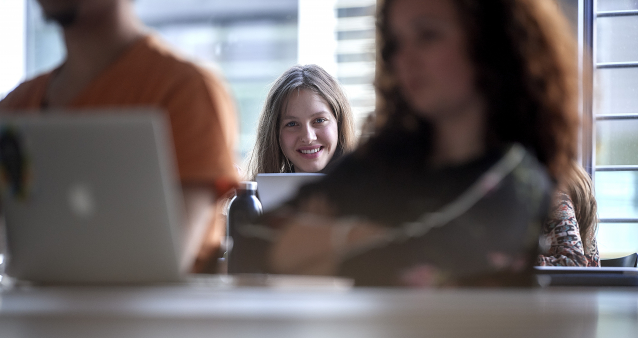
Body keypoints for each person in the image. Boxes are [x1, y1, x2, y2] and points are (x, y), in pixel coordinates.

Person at [232, 0, 579, 287]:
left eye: (427, 35)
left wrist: (329, 236)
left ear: (489, 42)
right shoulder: (383, 159)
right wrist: (362, 238)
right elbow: (253, 246)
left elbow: (422, 255)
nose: (404, 59)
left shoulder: (519, 176)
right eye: (395, 43)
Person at [0, 0, 239, 271]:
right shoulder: (15, 108)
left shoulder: (185, 90)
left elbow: (168, 257)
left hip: (155, 312)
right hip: (29, 310)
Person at [245, 64, 355, 179]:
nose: (308, 137)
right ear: (276, 133)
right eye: (292, 124)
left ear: (339, 123)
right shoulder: (252, 196)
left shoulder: (371, 192)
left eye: (319, 120)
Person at [537, 162, 599, 267]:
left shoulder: (557, 200)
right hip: (588, 282)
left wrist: (516, 262)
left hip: (572, 282)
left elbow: (574, 263)